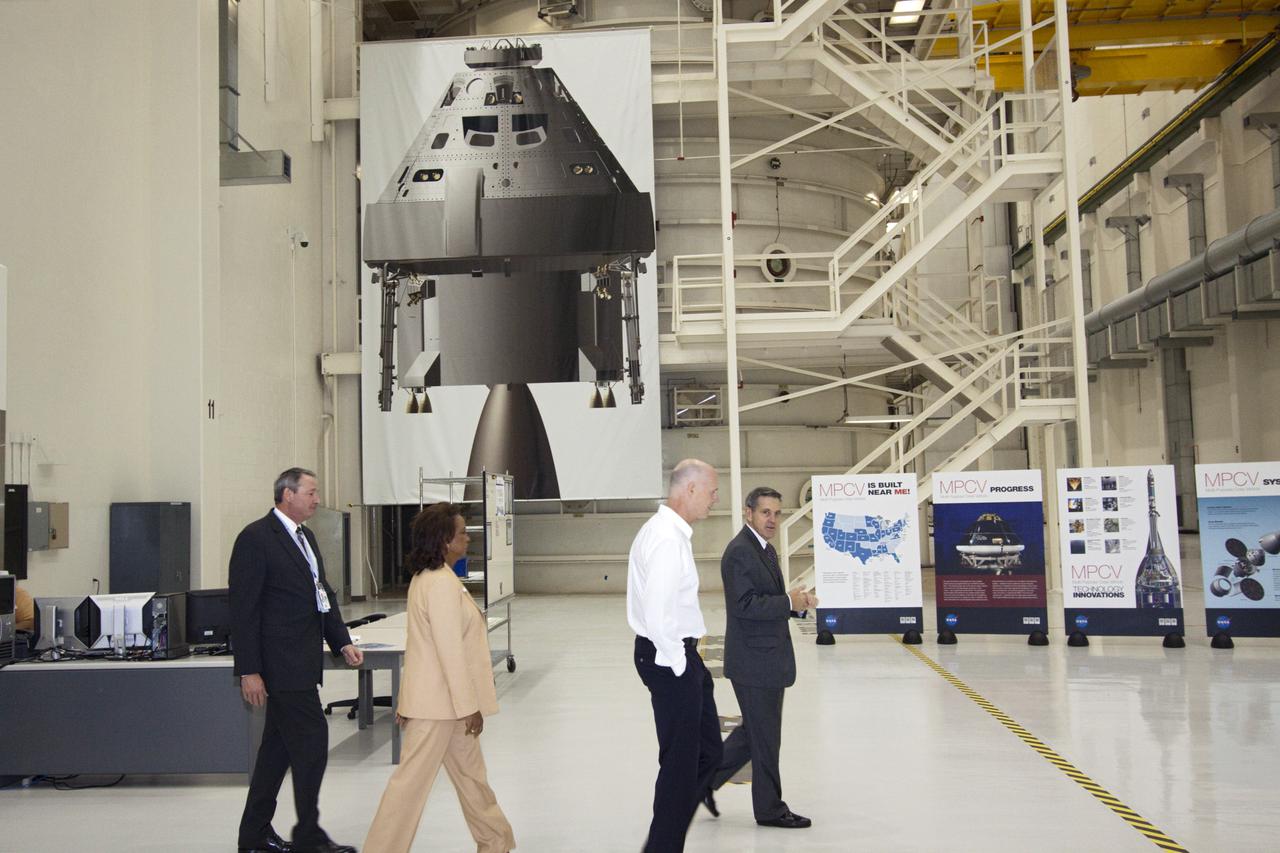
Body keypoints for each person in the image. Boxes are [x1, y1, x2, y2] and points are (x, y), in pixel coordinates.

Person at [364, 503, 515, 853]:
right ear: (446, 541)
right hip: (439, 708)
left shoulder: (433, 579)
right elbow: (449, 652)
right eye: (462, 533)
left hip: (444, 704)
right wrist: (468, 708)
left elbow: (421, 647)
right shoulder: (440, 585)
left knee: (473, 781)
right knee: (409, 788)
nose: (467, 538)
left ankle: (496, 843)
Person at [230, 467, 364, 853]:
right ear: (287, 495)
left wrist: (341, 641)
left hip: (303, 663)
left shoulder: (306, 538)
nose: (317, 499)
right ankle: (309, 837)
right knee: (312, 741)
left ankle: (253, 836)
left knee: (277, 752)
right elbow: (244, 611)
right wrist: (249, 670)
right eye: (311, 492)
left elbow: (323, 596)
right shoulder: (256, 539)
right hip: (279, 666)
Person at [702, 486, 816, 829]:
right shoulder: (740, 551)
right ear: (748, 513)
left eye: (777, 513)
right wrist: (787, 603)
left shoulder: (763, 549)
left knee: (754, 734)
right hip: (754, 661)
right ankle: (769, 809)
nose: (772, 520)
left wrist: (797, 606)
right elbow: (745, 605)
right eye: (765, 512)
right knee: (766, 738)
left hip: (764, 657)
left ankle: (700, 782)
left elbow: (765, 599)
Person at [628, 459, 724, 853]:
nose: (715, 500)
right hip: (668, 657)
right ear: (690, 490)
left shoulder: (670, 533)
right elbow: (657, 614)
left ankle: (667, 836)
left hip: (679, 656)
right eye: (712, 491)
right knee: (680, 765)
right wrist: (681, 664)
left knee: (708, 752)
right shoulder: (667, 539)